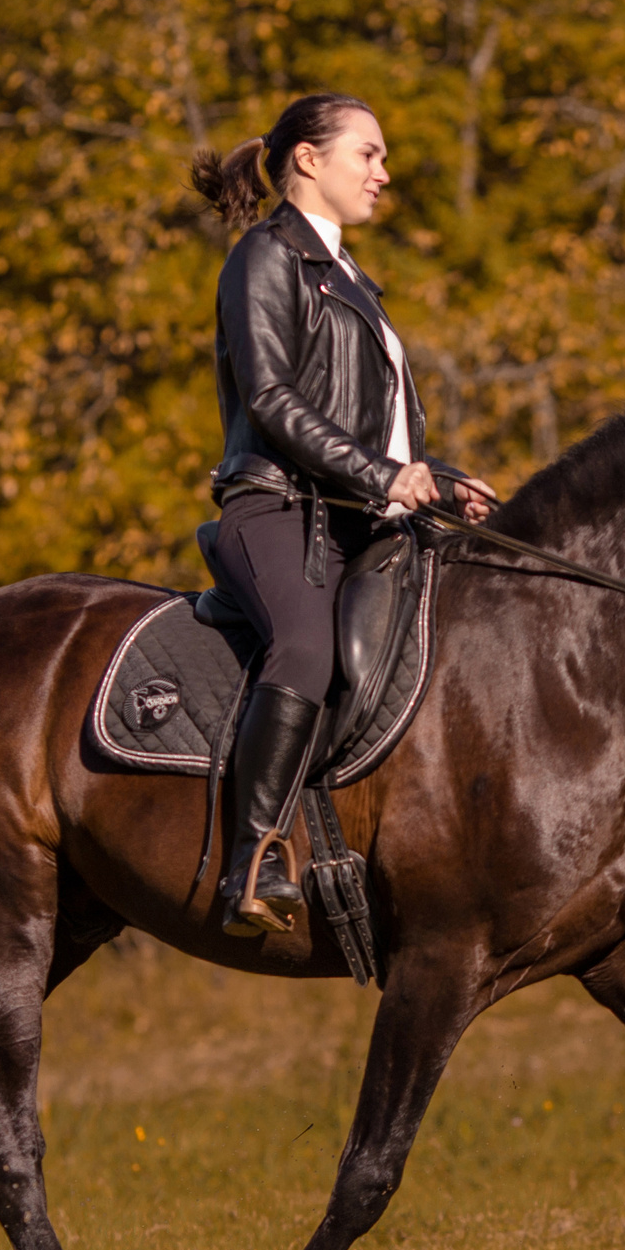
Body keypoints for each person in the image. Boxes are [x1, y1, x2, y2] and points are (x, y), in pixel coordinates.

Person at [190, 93, 499, 936]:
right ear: (308, 160)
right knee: (308, 645)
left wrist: (440, 478)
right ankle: (251, 858)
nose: (383, 172)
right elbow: (272, 397)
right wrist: (383, 474)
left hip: (355, 512)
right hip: (277, 508)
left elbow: (374, 422)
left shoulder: (354, 279)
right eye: (368, 153)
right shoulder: (265, 257)